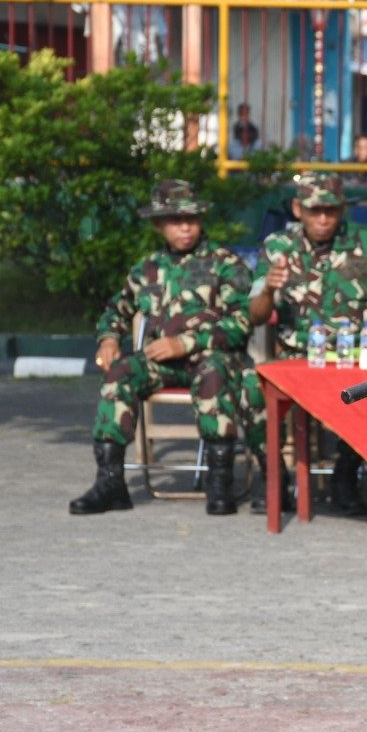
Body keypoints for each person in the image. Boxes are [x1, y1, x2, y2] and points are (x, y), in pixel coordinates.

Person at [71, 180, 258, 518]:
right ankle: (110, 483)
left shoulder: (225, 263)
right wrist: (108, 339)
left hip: (213, 358)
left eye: (191, 218)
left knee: (213, 373)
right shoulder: (147, 269)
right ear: (158, 224)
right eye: (175, 220)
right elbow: (117, 310)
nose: (185, 227)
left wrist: (185, 343)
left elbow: (241, 322)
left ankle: (219, 483)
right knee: (120, 373)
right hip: (162, 363)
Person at [249, 173, 367, 514]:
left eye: (331, 211)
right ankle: (274, 477)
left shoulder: (365, 240)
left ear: (341, 210)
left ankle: (345, 476)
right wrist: (268, 289)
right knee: (250, 387)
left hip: (355, 356)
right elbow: (256, 315)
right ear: (298, 209)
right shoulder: (278, 246)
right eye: (315, 211)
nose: (323, 219)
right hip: (297, 355)